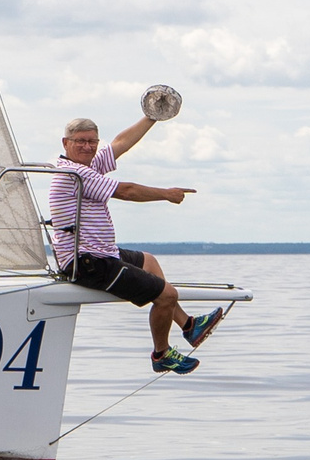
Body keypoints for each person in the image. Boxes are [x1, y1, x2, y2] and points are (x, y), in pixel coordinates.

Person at [50, 113, 226, 373]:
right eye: (80, 141)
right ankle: (161, 354)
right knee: (167, 296)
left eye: (92, 141)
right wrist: (167, 194)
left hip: (101, 253)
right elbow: (127, 191)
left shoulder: (88, 166)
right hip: (87, 263)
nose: (87, 146)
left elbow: (120, 143)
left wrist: (151, 117)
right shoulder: (74, 173)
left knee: (149, 261)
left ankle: (189, 326)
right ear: (66, 143)